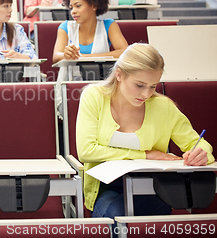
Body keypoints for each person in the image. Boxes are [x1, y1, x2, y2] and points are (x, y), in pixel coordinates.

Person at [76, 43, 214, 223]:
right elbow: (86, 151)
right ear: (119, 74)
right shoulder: (94, 96)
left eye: (153, 86)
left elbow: (200, 144)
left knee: (147, 216)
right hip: (105, 188)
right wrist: (145, 155)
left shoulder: (163, 107)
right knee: (118, 215)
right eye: (140, 85)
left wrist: (202, 154)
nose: (146, 94)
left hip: (152, 188)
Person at [53, 0, 128, 63]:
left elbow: (125, 52)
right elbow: (56, 56)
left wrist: (85, 57)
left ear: (94, 5)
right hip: (70, 76)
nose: (73, 11)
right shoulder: (65, 27)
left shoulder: (109, 25)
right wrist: (65, 55)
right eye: (71, 7)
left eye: (78, 6)